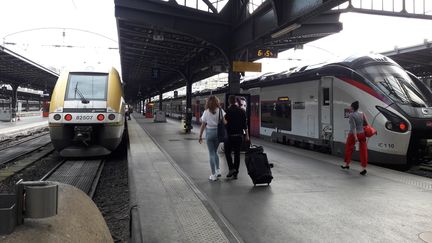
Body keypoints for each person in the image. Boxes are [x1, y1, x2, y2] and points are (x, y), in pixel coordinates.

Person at [199, 95, 225, 181]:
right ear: (217, 102)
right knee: (215, 152)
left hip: (209, 133)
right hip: (218, 133)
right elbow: (225, 122)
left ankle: (213, 175)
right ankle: (218, 170)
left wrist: (200, 136)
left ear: (208, 102)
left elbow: (203, 124)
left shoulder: (206, 112)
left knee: (211, 153)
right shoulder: (220, 111)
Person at [224, 95, 249, 179]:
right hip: (239, 136)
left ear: (229, 101)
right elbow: (245, 125)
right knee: (237, 154)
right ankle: (236, 173)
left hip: (229, 136)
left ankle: (231, 169)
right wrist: (247, 136)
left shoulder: (226, 111)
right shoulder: (242, 111)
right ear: (235, 101)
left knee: (227, 153)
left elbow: (225, 124)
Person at [341, 101, 368, 175]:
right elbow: (366, 124)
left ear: (352, 107)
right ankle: (363, 168)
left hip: (353, 135)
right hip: (362, 134)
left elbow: (353, 127)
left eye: (350, 106)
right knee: (363, 151)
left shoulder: (351, 115)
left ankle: (346, 165)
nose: (349, 107)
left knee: (348, 148)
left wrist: (355, 137)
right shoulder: (362, 114)